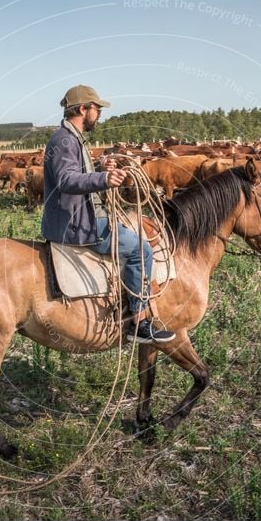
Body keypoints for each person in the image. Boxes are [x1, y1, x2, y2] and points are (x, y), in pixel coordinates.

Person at [41, 85, 175, 344]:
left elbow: (77, 173)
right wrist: (104, 178)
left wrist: (100, 166)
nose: (99, 113)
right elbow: (66, 179)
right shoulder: (65, 140)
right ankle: (139, 323)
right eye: (97, 108)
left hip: (79, 216)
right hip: (77, 224)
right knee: (141, 250)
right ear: (83, 109)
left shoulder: (71, 137)